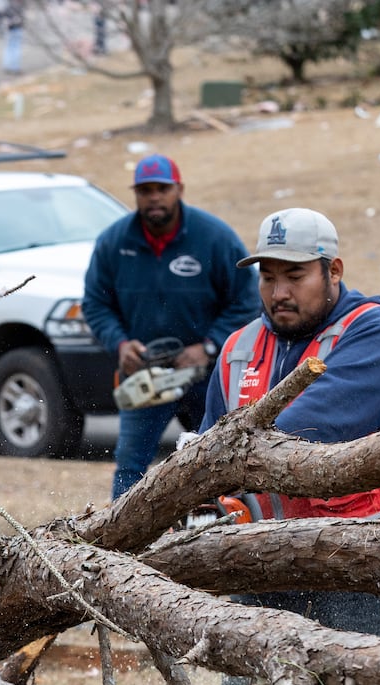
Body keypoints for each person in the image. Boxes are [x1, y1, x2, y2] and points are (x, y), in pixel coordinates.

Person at [199, 207, 380, 685]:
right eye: (268, 277)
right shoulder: (237, 350)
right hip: (266, 569)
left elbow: (309, 428)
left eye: (295, 276)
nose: (279, 292)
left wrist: (227, 459)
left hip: (365, 565)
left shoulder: (375, 334)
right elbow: (204, 462)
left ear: (334, 270)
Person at [82, 154, 260, 499]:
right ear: (135, 194)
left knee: (220, 461)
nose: (153, 197)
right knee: (131, 466)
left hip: (209, 375)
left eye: (161, 189)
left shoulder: (214, 238)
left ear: (178, 189)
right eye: (145, 190)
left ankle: (223, 534)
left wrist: (209, 346)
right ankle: (123, 545)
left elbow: (247, 300)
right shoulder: (113, 243)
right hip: (147, 376)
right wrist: (119, 344)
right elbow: (95, 303)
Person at [1, 0, 24, 73]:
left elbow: (3, 17)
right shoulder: (18, 6)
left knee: (9, 48)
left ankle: (7, 65)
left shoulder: (7, 6)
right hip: (16, 29)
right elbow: (20, 19)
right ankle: (15, 67)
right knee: (15, 48)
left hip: (9, 30)